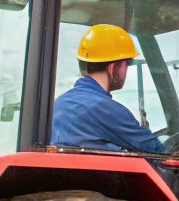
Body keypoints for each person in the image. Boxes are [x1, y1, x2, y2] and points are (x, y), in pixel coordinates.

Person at [49, 24, 165, 154]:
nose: (127, 69)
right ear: (113, 68)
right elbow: (156, 150)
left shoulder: (59, 104)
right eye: (127, 63)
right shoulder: (108, 110)